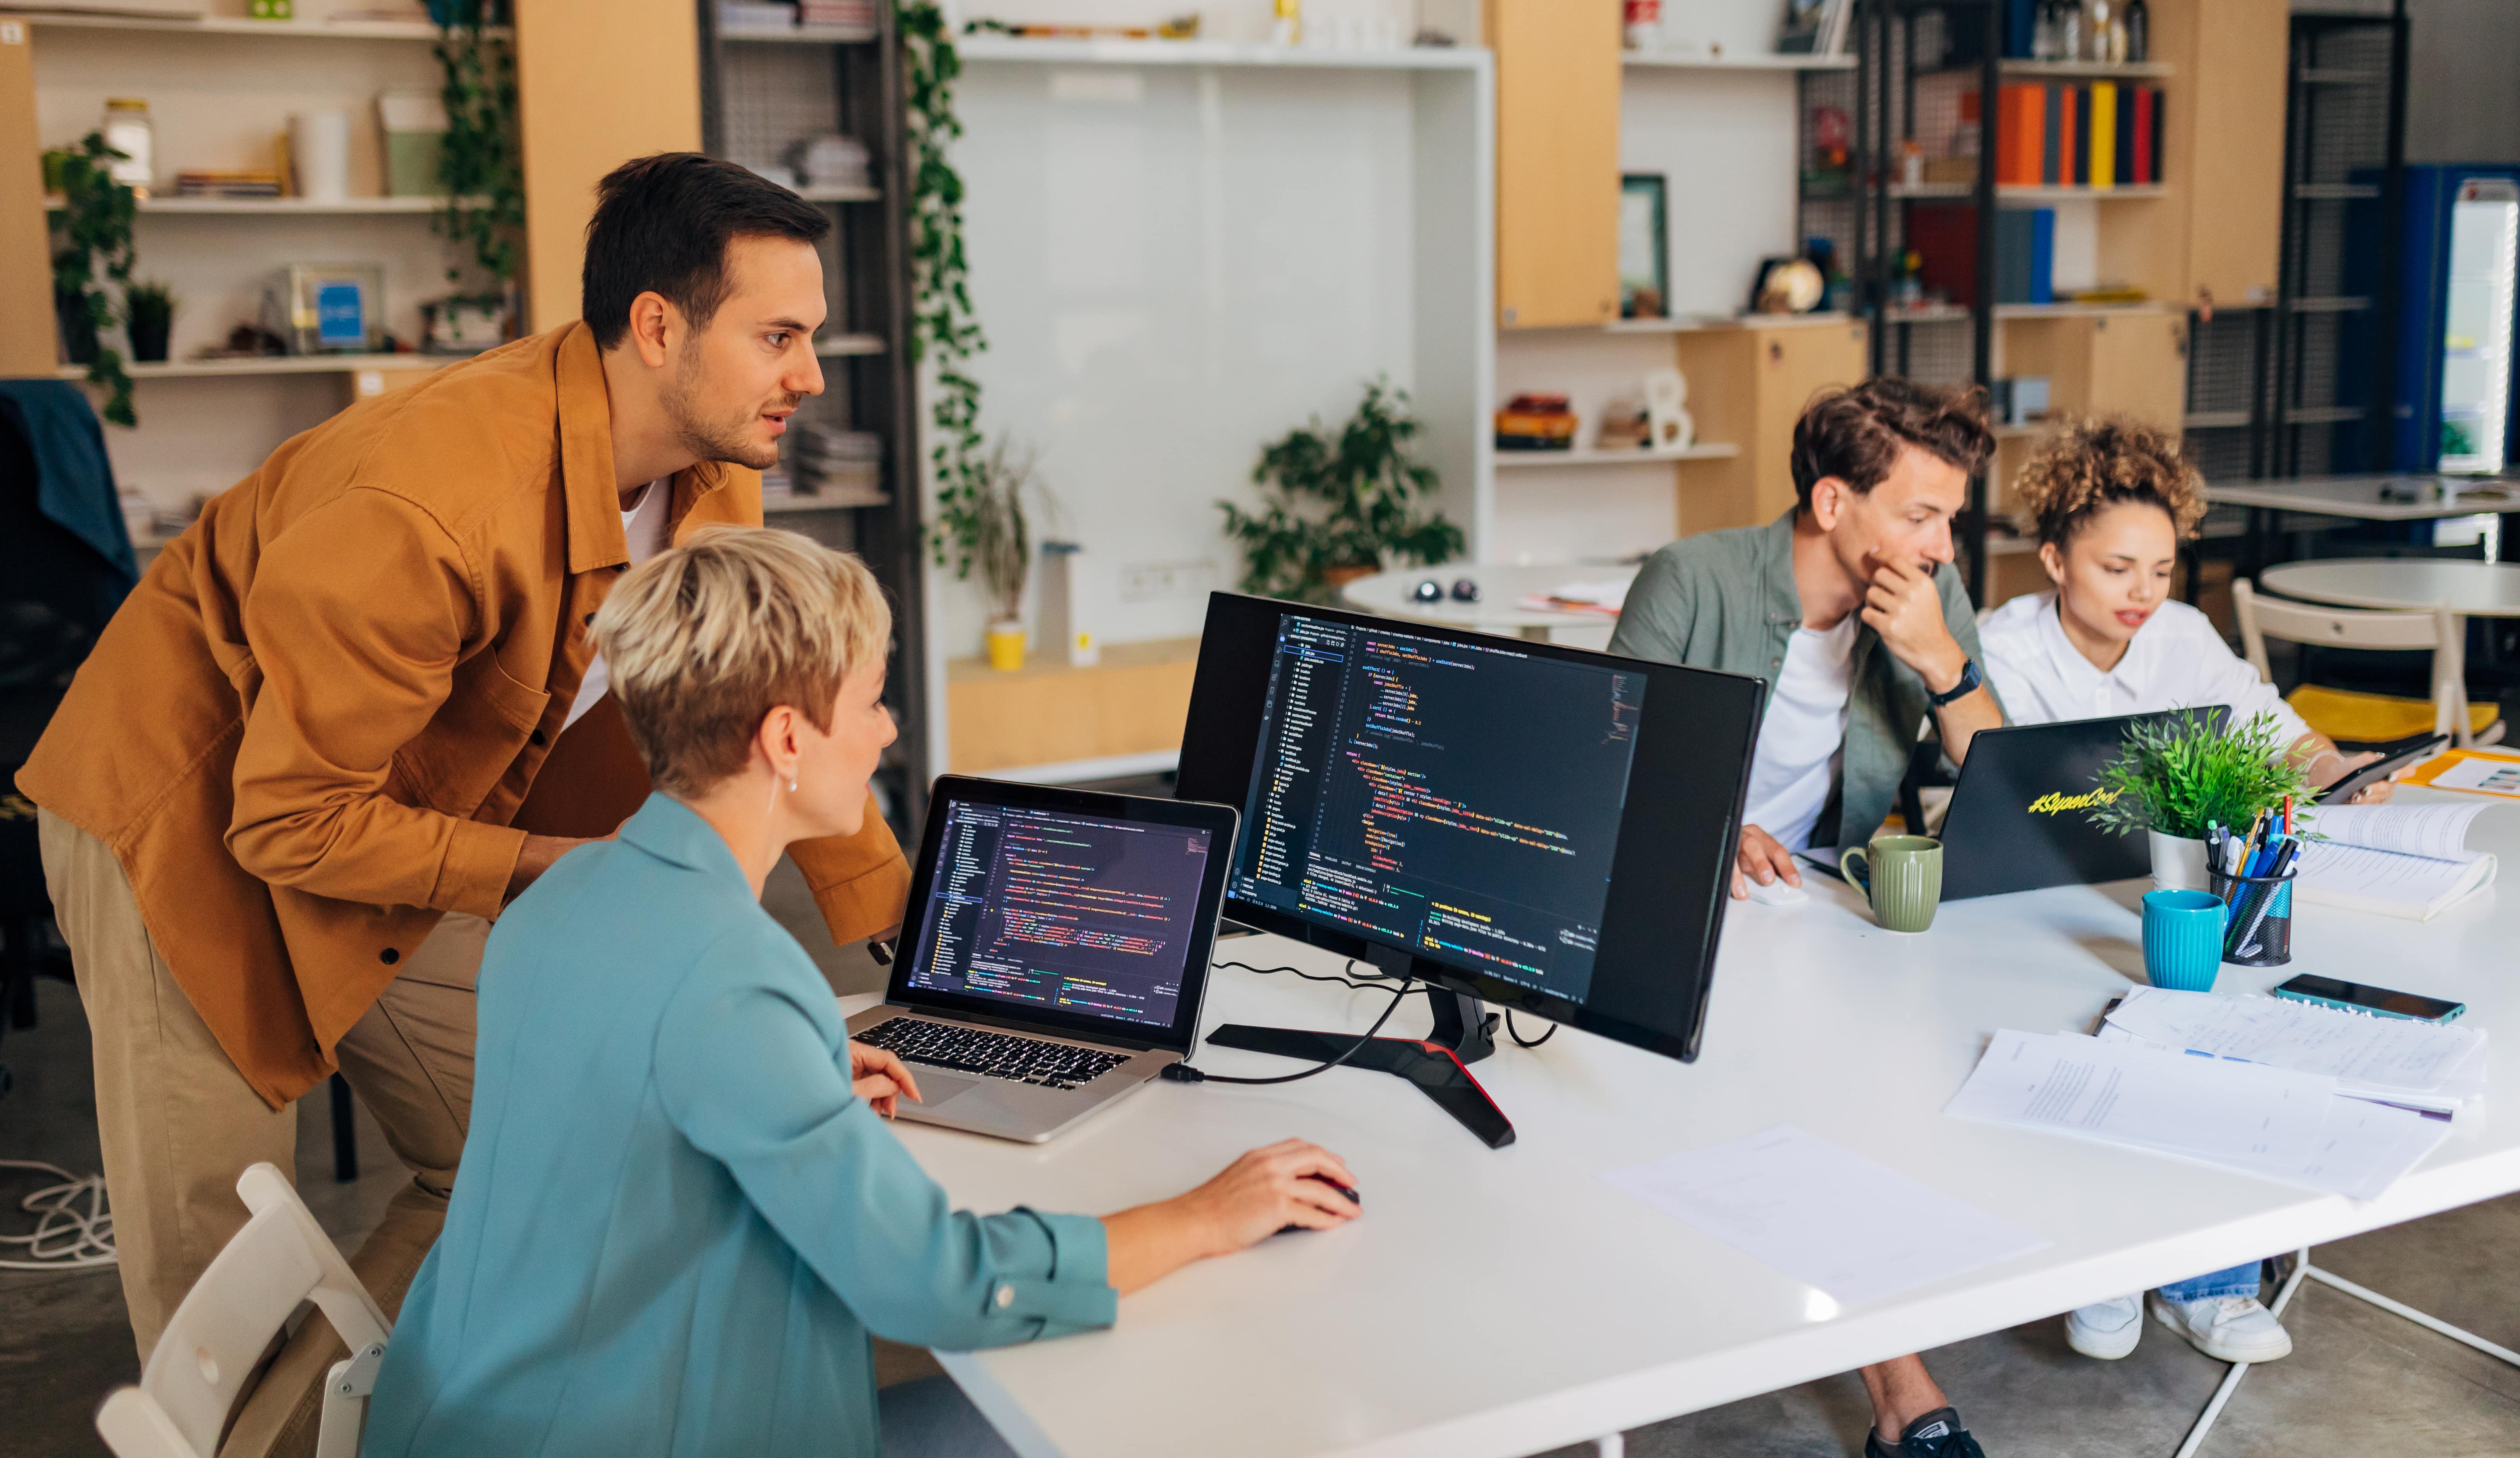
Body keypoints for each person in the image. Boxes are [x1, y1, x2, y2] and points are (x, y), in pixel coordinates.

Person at [16, 152, 911, 1365]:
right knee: (230, 1268)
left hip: (392, 798)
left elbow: (769, 695)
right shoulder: (430, 504)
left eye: (811, 336)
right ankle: (277, 1436)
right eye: (780, 337)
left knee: (543, 1137)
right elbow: (288, 820)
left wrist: (912, 929)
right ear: (659, 327)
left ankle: (373, 1415)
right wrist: (568, 866)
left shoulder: (704, 474)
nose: (810, 375)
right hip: (185, 808)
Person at [361, 526, 1361, 1456]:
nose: (887, 731)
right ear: (787, 739)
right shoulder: (731, 978)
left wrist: (780, 1070)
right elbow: (939, 1285)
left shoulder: (569, 891)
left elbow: (620, 1091)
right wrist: (1205, 1215)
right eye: (874, 699)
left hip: (466, 1407)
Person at [1611, 376, 2003, 1458]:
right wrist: (1712, 825)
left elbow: (1997, 781)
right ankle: (1904, 1392)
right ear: (1833, 502)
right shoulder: (1693, 578)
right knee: (1816, 1075)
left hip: (1820, 905)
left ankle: (1893, 1359)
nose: (1943, 545)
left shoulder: (1929, 596)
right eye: (1921, 515)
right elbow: (1607, 760)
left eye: (1950, 518)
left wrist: (1942, 660)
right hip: (1678, 901)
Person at [1979, 415, 2401, 1367]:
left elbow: (2276, 728)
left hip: (2174, 889)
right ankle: (2102, 1261)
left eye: (2162, 570)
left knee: (2222, 1023)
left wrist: (2332, 765)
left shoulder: (2183, 635)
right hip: (2042, 897)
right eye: (2116, 568)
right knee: (2084, 1037)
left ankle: (2205, 1278)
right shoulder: (2004, 647)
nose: (2143, 592)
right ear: (2053, 560)